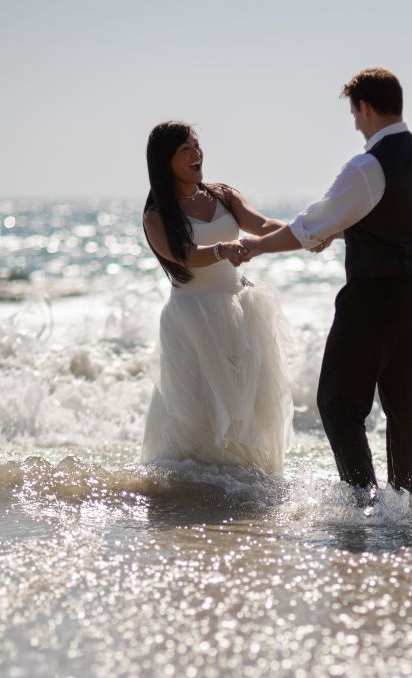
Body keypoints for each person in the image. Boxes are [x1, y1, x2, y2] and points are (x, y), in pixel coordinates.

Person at [238, 68, 412, 505]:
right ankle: (403, 499)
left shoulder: (367, 166)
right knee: (404, 405)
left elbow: (312, 224)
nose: (355, 124)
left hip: (375, 295)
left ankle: (364, 499)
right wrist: (340, 231)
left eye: (355, 113)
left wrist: (256, 246)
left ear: (366, 108)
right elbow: (397, 222)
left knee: (337, 402)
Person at [139, 120, 294, 475]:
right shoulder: (157, 215)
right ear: (166, 161)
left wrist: (308, 232)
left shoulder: (222, 194)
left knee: (246, 406)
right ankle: (199, 489)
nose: (197, 154)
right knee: (197, 412)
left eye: (196, 146)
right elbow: (185, 254)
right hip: (191, 317)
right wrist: (223, 249)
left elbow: (264, 226)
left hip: (239, 311)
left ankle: (244, 482)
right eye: (185, 150)